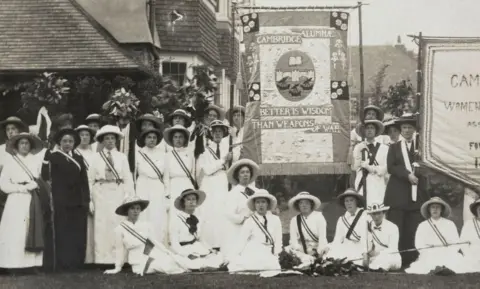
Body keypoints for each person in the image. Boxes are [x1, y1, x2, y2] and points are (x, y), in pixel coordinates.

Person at [384, 112, 429, 267]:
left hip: (417, 192)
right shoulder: (394, 147)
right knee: (397, 225)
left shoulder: (422, 147)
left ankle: (413, 257)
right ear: (400, 130)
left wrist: (419, 172)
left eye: (410, 127)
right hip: (398, 192)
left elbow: (428, 166)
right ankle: (398, 258)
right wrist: (407, 175)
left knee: (414, 225)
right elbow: (391, 167)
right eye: (404, 127)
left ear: (414, 129)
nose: (407, 130)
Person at [41, 128, 90, 271]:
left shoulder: (79, 158)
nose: (68, 144)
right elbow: (45, 176)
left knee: (76, 231)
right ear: (60, 142)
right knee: (62, 230)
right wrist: (45, 158)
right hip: (60, 199)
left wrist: (86, 199)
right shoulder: (53, 156)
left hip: (77, 200)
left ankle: (75, 263)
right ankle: (61, 263)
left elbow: (84, 181)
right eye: (65, 141)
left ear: (74, 143)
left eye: (70, 141)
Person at [104, 196, 188, 275]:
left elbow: (155, 242)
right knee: (166, 266)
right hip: (138, 262)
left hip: (152, 254)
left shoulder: (147, 225)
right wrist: (117, 267)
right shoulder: (120, 228)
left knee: (174, 260)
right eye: (132, 208)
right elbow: (120, 249)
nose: (135, 211)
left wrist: (168, 252)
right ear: (127, 211)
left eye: (138, 208)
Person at [88, 125, 134, 265]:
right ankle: (102, 259)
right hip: (100, 192)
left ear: (116, 140)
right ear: (102, 141)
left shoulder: (121, 157)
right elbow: (90, 179)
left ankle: (119, 258)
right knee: (102, 225)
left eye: (112, 138)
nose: (110, 141)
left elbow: (127, 178)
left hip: (117, 191)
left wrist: (129, 195)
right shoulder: (95, 157)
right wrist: (90, 199)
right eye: (106, 138)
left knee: (118, 223)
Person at [0, 133, 44, 270]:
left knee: (31, 228)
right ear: (17, 146)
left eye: (27, 143)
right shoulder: (10, 162)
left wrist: (36, 185)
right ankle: (12, 264)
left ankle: (31, 264)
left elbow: (40, 180)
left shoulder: (36, 161)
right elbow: (3, 185)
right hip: (16, 199)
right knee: (15, 231)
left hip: (32, 199)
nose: (24, 146)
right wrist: (21, 188)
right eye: (22, 143)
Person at [406, 197, 469, 274]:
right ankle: (436, 270)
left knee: (455, 262)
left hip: (447, 252)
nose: (435, 209)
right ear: (429, 209)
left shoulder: (450, 224)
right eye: (433, 207)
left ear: (441, 209)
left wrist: (449, 252)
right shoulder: (423, 225)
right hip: (429, 252)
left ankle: (445, 270)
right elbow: (419, 244)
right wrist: (428, 252)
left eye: (437, 207)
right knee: (426, 264)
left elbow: (456, 243)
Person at [196, 120, 232, 250]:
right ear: (211, 133)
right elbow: (207, 169)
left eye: (220, 131)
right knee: (208, 212)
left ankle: (221, 243)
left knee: (221, 211)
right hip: (209, 183)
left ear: (223, 133)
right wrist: (223, 161)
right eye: (215, 131)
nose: (217, 134)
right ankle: (208, 244)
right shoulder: (205, 149)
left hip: (222, 181)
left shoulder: (227, 148)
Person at [227, 189, 282, 273]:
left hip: (270, 249)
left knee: (273, 265)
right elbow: (242, 240)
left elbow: (278, 239)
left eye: (263, 202)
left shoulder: (275, 219)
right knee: (249, 264)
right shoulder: (249, 221)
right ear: (254, 205)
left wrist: (277, 253)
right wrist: (234, 255)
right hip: (254, 248)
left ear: (267, 204)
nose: (261, 205)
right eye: (258, 202)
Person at [169, 189, 225, 270]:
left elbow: (201, 239)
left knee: (218, 255)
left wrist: (210, 249)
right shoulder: (176, 219)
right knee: (187, 261)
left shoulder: (197, 219)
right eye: (188, 199)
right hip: (184, 249)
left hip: (196, 247)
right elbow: (174, 244)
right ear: (183, 202)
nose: (191, 202)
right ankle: (204, 266)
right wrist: (186, 254)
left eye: (194, 199)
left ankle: (208, 266)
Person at [135, 128, 168, 243]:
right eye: (149, 137)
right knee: (143, 215)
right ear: (144, 139)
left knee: (157, 215)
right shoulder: (138, 153)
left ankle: (157, 245)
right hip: (142, 185)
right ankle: (142, 246)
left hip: (157, 186)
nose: (152, 140)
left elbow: (166, 175)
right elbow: (135, 174)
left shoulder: (163, 154)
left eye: (154, 138)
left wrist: (167, 191)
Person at [221, 159, 260, 256]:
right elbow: (229, 214)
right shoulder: (233, 194)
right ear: (237, 176)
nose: (245, 174)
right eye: (242, 172)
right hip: (239, 228)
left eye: (247, 172)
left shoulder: (257, 191)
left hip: (257, 227)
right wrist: (244, 219)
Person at [323, 188, 368, 265]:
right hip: (345, 246)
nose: (349, 203)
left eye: (351, 200)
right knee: (328, 255)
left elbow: (365, 237)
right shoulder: (341, 219)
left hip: (359, 246)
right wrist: (329, 247)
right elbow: (337, 239)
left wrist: (365, 253)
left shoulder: (365, 215)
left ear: (357, 201)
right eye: (346, 201)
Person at [352, 119, 388, 206]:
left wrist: (369, 167)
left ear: (375, 131)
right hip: (362, 182)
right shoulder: (358, 147)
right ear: (363, 131)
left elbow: (384, 169)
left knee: (377, 207)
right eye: (367, 128)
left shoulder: (384, 148)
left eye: (372, 128)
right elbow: (355, 167)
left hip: (378, 183)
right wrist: (359, 155)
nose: (369, 130)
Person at [74, 125, 96, 264]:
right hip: (79, 189)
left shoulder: (95, 154)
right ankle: (81, 257)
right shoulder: (74, 153)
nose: (84, 137)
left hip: (93, 188)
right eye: (81, 135)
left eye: (87, 135)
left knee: (92, 223)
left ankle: (91, 257)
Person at [286, 192, 328, 265]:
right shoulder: (294, 220)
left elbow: (322, 237)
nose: (304, 205)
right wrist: (299, 249)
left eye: (306, 203)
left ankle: (312, 260)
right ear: (298, 205)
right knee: (287, 250)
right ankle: (307, 260)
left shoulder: (319, 217)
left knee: (329, 252)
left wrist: (319, 251)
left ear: (311, 204)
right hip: (301, 248)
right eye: (301, 203)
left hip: (317, 247)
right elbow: (293, 240)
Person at [348, 105, 385, 187]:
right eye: (368, 113)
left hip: (376, 165)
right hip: (361, 160)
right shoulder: (356, 131)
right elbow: (351, 145)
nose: (371, 116)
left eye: (373, 114)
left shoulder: (381, 135)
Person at [0, 116, 28, 221]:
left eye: (13, 129)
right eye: (8, 129)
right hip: (3, 192)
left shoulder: (26, 148)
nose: (10, 132)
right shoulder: (1, 149)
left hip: (22, 190)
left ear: (19, 130)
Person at [163, 125, 196, 204]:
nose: (178, 139)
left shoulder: (190, 154)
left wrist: (193, 187)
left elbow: (192, 173)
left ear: (184, 139)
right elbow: (166, 176)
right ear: (172, 139)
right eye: (176, 137)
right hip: (174, 185)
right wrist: (167, 192)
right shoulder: (167, 155)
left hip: (187, 184)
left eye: (181, 137)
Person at [363, 203, 401, 271]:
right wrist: (366, 254)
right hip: (374, 257)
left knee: (386, 260)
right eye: (374, 214)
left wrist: (378, 253)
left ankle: (375, 268)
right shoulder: (368, 226)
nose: (376, 217)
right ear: (370, 215)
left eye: (379, 213)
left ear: (384, 213)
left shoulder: (393, 227)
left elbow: (393, 249)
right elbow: (366, 244)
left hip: (391, 256)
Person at [460, 198, 480, 271]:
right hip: (473, 256)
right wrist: (470, 257)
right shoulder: (469, 224)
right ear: (476, 211)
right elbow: (463, 243)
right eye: (479, 209)